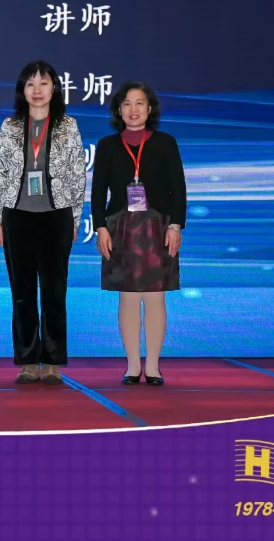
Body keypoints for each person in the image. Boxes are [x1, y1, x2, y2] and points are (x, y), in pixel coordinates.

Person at [0, 60, 86, 386]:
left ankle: (53, 362)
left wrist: (75, 218)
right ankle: (29, 361)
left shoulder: (68, 126)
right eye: (30, 84)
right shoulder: (10, 126)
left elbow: (77, 175)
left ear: (54, 88)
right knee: (22, 293)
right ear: (23, 90)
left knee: (54, 291)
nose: (37, 90)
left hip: (56, 216)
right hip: (16, 216)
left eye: (43, 83)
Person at [92, 82, 186, 387]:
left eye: (140, 103)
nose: (133, 110)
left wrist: (175, 225)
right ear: (119, 110)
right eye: (127, 104)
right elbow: (97, 191)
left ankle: (154, 366)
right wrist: (101, 227)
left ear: (150, 108)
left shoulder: (165, 143)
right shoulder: (107, 145)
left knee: (155, 297)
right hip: (121, 226)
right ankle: (133, 365)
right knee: (129, 297)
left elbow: (178, 189)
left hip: (158, 226)